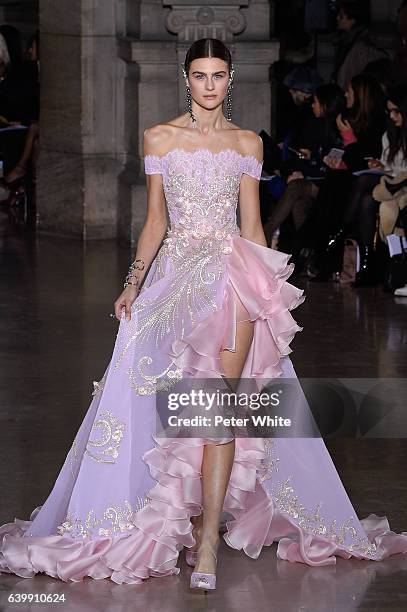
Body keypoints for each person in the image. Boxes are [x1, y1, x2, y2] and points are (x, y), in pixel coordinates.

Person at [1, 38, 407, 591]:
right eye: (200, 75)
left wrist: (268, 293)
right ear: (185, 78)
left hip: (232, 279)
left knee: (220, 406)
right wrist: (131, 284)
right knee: (172, 404)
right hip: (173, 281)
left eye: (218, 75)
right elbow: (154, 222)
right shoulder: (160, 138)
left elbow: (253, 226)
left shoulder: (246, 144)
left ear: (231, 79)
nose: (210, 84)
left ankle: (210, 537)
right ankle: (175, 517)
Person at [333, 0, 388, 90]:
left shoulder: (359, 46)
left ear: (352, 20)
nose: (337, 18)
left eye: (341, 16)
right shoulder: (348, 39)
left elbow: (348, 78)